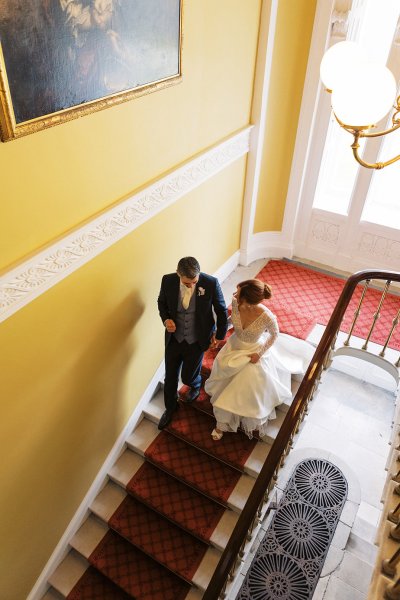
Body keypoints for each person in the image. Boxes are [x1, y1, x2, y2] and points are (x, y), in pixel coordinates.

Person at [204, 279, 313, 440]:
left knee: (246, 382)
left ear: (247, 299)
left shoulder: (266, 316)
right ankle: (223, 421)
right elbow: (230, 320)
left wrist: (259, 354)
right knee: (224, 377)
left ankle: (222, 424)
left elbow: (274, 335)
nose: (234, 294)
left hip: (252, 353)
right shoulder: (236, 302)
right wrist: (218, 336)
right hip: (234, 347)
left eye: (238, 292)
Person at [157, 256, 228, 430]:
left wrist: (219, 336)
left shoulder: (211, 283)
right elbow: (161, 302)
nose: (191, 286)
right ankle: (170, 408)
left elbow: (221, 310)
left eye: (194, 282)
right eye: (187, 283)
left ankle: (195, 384)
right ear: (178, 274)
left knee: (187, 376)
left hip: (197, 340)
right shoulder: (168, 280)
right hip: (174, 340)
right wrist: (166, 320)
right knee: (170, 377)